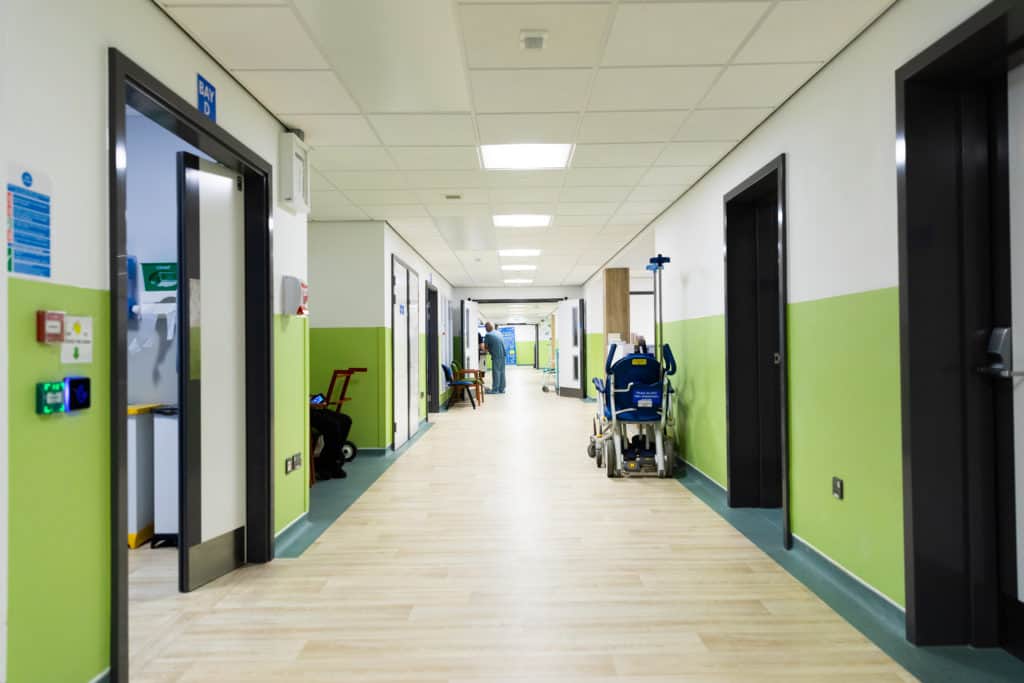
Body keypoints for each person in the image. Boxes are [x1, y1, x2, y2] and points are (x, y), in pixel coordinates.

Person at [483, 322, 507, 394]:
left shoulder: (488, 335)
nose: (485, 329)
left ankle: (495, 390)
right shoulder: (498, 333)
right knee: (502, 372)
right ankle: (502, 389)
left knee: (496, 372)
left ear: (488, 327)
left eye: (485, 327)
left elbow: (485, 347)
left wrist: (486, 350)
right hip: (503, 354)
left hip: (496, 355)